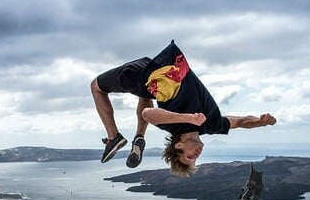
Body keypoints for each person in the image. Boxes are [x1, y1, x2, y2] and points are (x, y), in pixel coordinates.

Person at [90, 40, 276, 177]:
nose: (195, 156)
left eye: (189, 158)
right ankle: (139, 137)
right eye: (195, 160)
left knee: (96, 87)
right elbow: (241, 122)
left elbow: (149, 114)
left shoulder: (174, 126)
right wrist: (260, 122)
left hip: (140, 74)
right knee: (147, 92)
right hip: (160, 71)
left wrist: (187, 118)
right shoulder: (211, 125)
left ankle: (114, 137)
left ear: (178, 145)